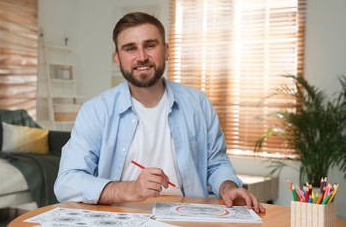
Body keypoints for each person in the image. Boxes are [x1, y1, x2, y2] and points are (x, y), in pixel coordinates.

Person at [54, 12, 266, 213]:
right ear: (117, 58)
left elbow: (216, 163)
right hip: (119, 219)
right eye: (130, 48)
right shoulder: (95, 111)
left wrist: (228, 188)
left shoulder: (197, 103)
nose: (142, 56)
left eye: (150, 45)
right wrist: (132, 189)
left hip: (188, 218)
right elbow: (67, 182)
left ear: (166, 50)